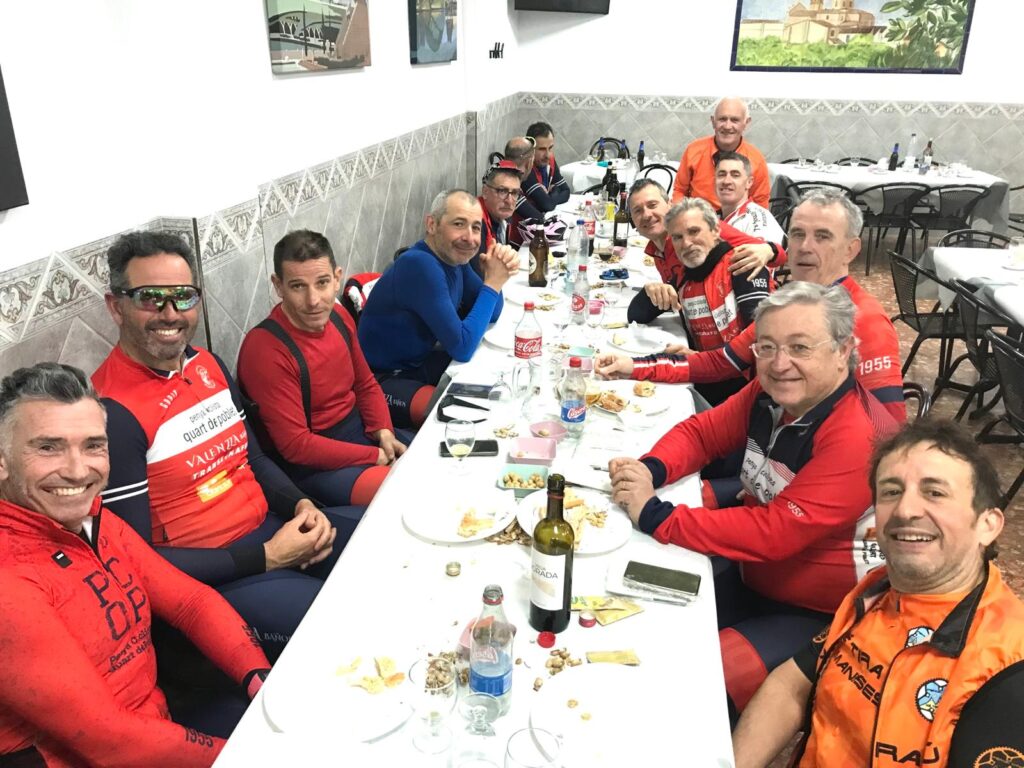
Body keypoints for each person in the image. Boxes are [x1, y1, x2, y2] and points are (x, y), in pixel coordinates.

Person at [609, 282, 899, 725]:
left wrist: (654, 514)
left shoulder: (858, 436)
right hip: (759, 575)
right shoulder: (772, 394)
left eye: (800, 347)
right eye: (767, 347)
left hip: (825, 613)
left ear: (843, 351)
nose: (780, 364)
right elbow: (703, 433)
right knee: (637, 615)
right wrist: (649, 470)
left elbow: (774, 533)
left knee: (690, 684)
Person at [92, 231, 351, 662]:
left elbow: (256, 458)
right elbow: (136, 562)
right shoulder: (111, 414)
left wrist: (303, 506)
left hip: (273, 532)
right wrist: (266, 557)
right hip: (216, 578)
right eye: (150, 298)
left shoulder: (207, 365)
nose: (170, 313)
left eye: (183, 296)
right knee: (347, 627)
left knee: (385, 553)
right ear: (116, 306)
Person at [0, 363, 271, 766]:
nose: (77, 470)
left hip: (157, 724)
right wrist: (248, 756)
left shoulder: (93, 519)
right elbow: (110, 741)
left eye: (93, 445)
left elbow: (191, 603)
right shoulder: (9, 582)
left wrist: (261, 680)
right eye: (48, 448)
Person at [733, 420, 1024, 768]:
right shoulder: (877, 589)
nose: (905, 510)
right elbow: (793, 684)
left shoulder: (1007, 671)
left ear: (988, 525)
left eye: (935, 492)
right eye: (891, 491)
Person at [597, 189, 905, 422]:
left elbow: (887, 429)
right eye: (797, 234)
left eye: (822, 236)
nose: (804, 247)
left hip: (804, 467)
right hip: (763, 437)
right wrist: (631, 366)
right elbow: (723, 362)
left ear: (851, 249)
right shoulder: (787, 309)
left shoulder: (866, 319)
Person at [237, 230, 410, 509]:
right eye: (298, 286)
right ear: (278, 286)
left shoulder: (338, 316)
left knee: (438, 462)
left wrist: (384, 432)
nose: (314, 300)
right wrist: (372, 456)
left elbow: (365, 383)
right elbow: (297, 446)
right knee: (406, 495)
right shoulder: (265, 350)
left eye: (322, 283)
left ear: (337, 278)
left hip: (361, 432)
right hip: (314, 464)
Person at [358, 189, 517, 396]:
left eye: (476, 227)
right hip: (382, 379)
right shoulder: (420, 265)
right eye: (458, 224)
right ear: (432, 225)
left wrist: (493, 275)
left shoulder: (454, 259)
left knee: (501, 377)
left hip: (418, 362)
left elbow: (494, 313)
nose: (469, 238)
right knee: (468, 404)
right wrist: (493, 283)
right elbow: (462, 348)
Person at [627, 198, 771, 406]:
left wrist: (700, 360)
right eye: (677, 237)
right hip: (710, 378)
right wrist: (649, 292)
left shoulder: (741, 265)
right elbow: (635, 316)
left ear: (715, 231)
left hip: (747, 395)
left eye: (694, 232)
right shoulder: (685, 278)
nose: (686, 243)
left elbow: (759, 346)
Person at [626, 178, 784, 325]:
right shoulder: (656, 250)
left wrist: (769, 250)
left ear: (669, 205)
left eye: (652, 205)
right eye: (637, 211)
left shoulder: (703, 232)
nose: (646, 215)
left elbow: (781, 255)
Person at [671, 97, 770, 209]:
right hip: (697, 216)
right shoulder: (693, 150)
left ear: (746, 123)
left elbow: (760, 203)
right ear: (713, 121)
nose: (727, 126)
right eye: (722, 119)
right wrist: (681, 215)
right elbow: (679, 190)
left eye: (734, 120)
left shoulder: (757, 160)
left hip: (738, 218)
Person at [714, 151, 785, 246]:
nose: (726, 181)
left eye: (735, 175)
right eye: (721, 174)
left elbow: (767, 252)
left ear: (749, 182)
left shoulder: (757, 220)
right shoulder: (714, 217)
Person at [472, 160, 523, 275]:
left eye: (515, 193)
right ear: (485, 192)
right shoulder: (475, 224)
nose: (509, 201)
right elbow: (480, 277)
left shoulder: (502, 215)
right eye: (502, 191)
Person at [522, 121, 570, 213]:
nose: (547, 155)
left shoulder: (549, 160)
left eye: (550, 148)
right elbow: (547, 205)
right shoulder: (525, 167)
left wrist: (550, 196)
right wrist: (555, 190)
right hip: (525, 221)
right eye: (542, 149)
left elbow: (566, 191)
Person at [504, 136, 542, 248]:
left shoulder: (503, 176)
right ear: (529, 163)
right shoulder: (510, 185)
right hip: (509, 246)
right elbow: (538, 219)